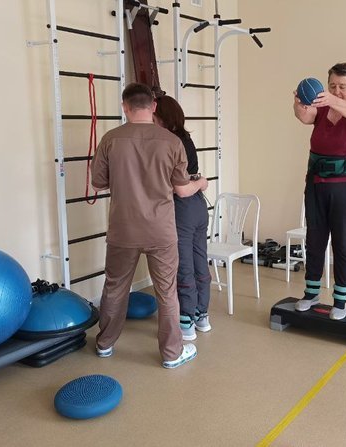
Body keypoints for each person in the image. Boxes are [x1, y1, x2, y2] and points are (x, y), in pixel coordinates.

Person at [91, 83, 208, 369]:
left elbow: (98, 183)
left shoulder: (110, 139)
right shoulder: (172, 142)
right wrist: (200, 183)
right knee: (166, 292)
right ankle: (171, 354)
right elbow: (182, 188)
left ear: (125, 107)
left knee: (115, 287)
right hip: (160, 230)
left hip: (123, 229)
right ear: (153, 106)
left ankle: (105, 344)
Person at [292, 62, 346, 320]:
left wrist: (331, 99)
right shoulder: (323, 110)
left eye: (342, 87)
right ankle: (311, 293)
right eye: (332, 86)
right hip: (316, 184)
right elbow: (305, 117)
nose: (337, 91)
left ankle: (340, 300)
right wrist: (299, 102)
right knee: (314, 240)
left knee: (343, 242)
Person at [153, 94, 212, 341]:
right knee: (200, 261)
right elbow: (194, 179)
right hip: (198, 207)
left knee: (184, 265)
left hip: (183, 208)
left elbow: (180, 188)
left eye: (154, 117)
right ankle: (202, 315)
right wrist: (200, 183)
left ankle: (186, 321)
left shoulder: (168, 143)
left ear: (162, 119)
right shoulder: (186, 139)